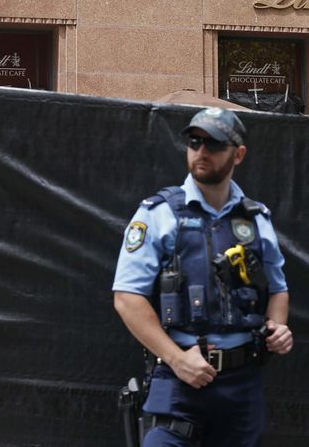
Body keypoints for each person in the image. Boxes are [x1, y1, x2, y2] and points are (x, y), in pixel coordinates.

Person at [113, 107, 293, 447]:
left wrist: (277, 327)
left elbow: (278, 289)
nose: (201, 152)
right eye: (195, 142)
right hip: (178, 378)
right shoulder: (159, 213)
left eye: (214, 144)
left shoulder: (256, 219)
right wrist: (177, 359)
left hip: (241, 382)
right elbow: (127, 298)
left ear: (238, 154)